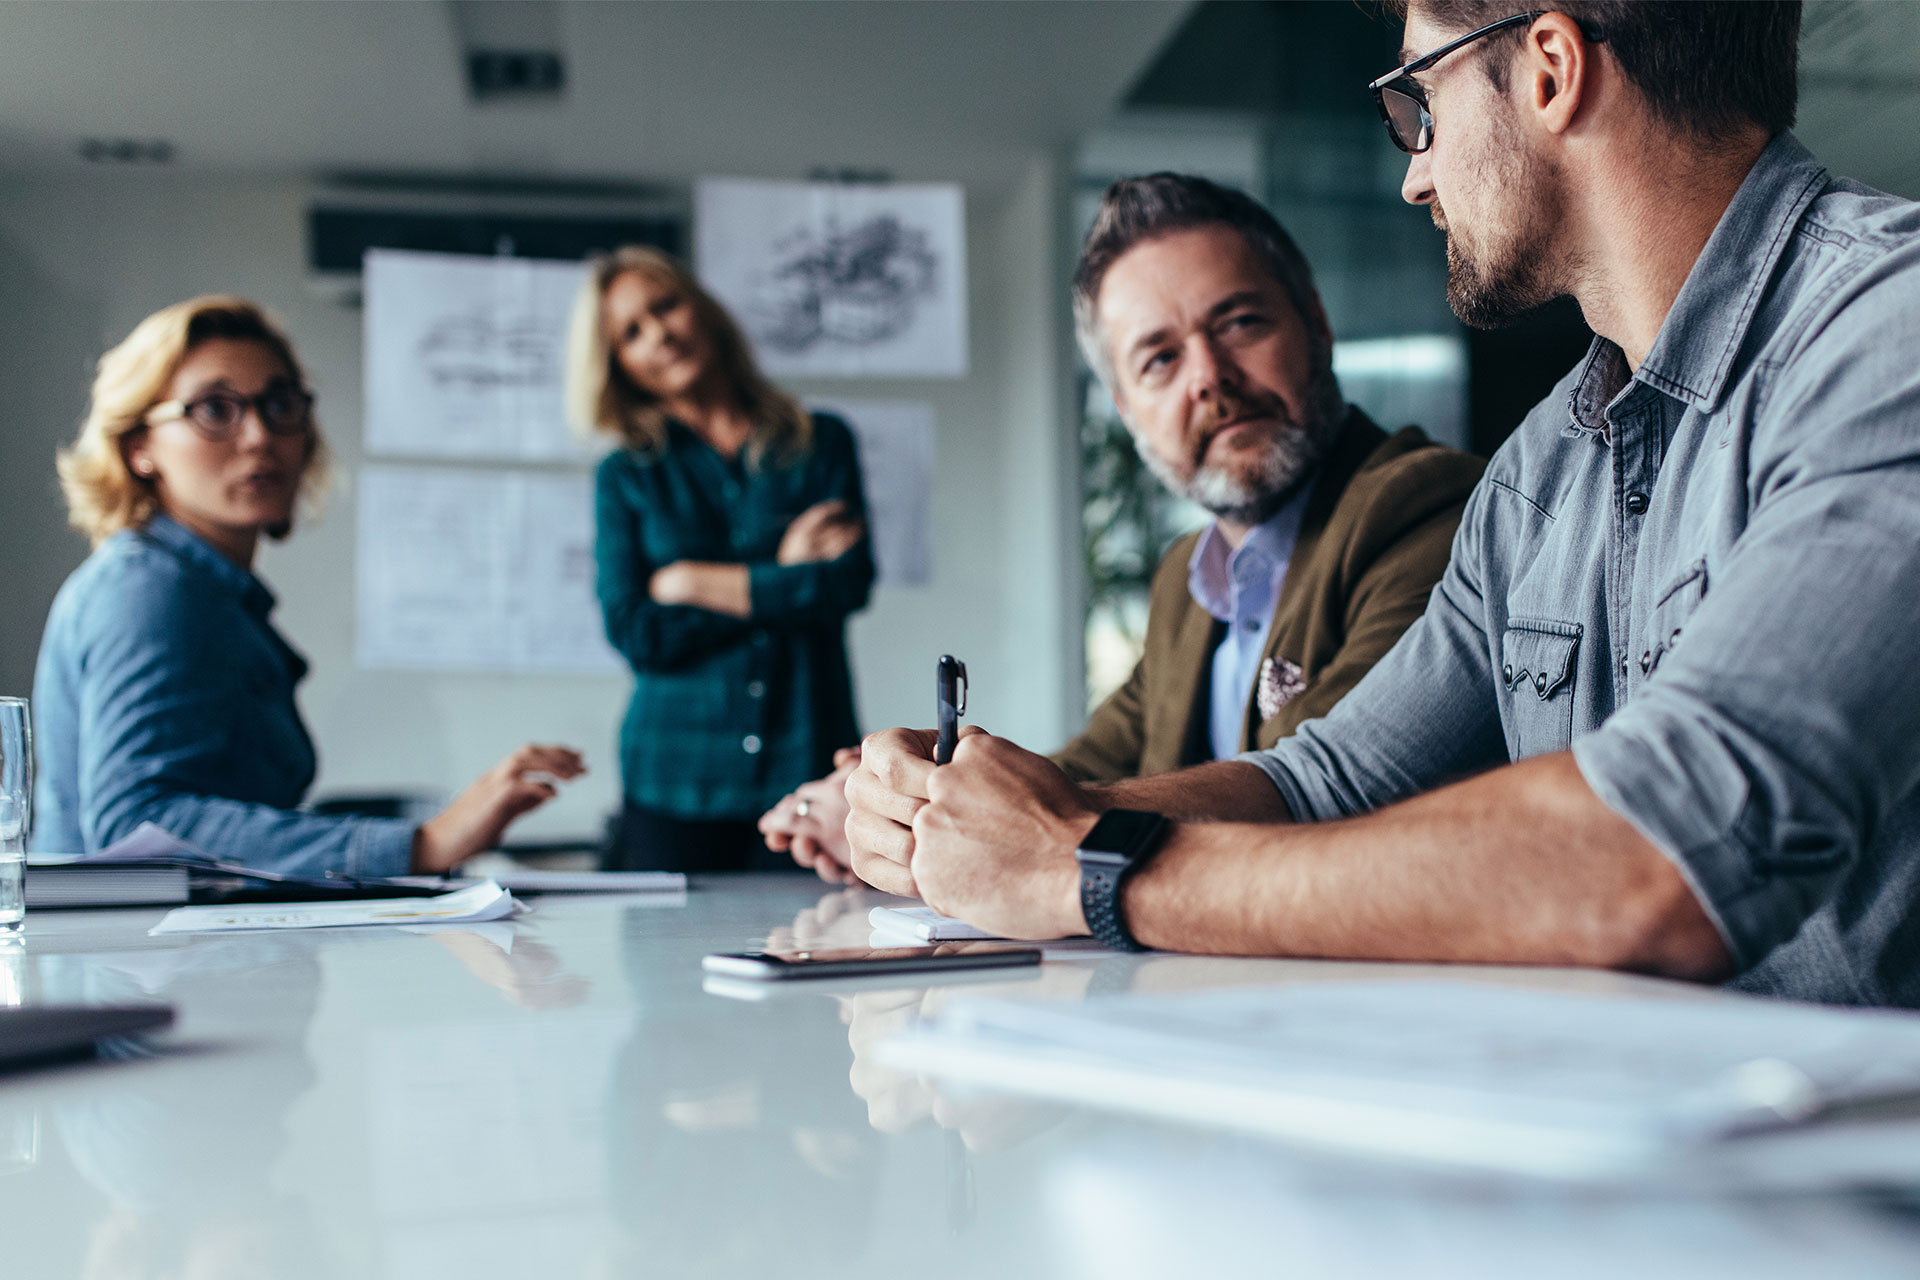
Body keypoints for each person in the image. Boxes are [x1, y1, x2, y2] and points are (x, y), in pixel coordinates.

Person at [845, 2, 1920, 1007]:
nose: (1414, 176)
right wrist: (996, 819)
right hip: (1655, 1148)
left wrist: (1093, 873)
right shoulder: (1547, 461)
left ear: (1550, 71)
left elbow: (1666, 851)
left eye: (1422, 104)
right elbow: (1331, 777)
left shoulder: (1887, 334)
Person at [761, 176, 1483, 883]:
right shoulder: (1186, 576)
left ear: (1316, 324)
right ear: (1126, 406)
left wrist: (980, 823)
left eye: (1240, 323)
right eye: (1160, 359)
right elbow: (1093, 765)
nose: (1208, 377)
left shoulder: (1423, 508)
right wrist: (908, 796)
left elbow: (1330, 786)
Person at [32, 296, 584, 877]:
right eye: (215, 409)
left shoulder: (211, 595)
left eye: (280, 404)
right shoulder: (148, 590)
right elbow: (135, 823)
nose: (260, 436)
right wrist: (420, 845)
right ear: (138, 447)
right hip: (127, 963)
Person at [570, 246, 875, 872]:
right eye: (631, 332)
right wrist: (784, 574)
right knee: (662, 970)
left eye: (666, 306)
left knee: (816, 951)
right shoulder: (625, 476)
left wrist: (688, 582)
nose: (658, 333)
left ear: (701, 309)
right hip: (673, 780)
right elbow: (636, 630)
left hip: (806, 766)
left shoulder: (821, 443)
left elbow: (845, 584)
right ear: (618, 364)